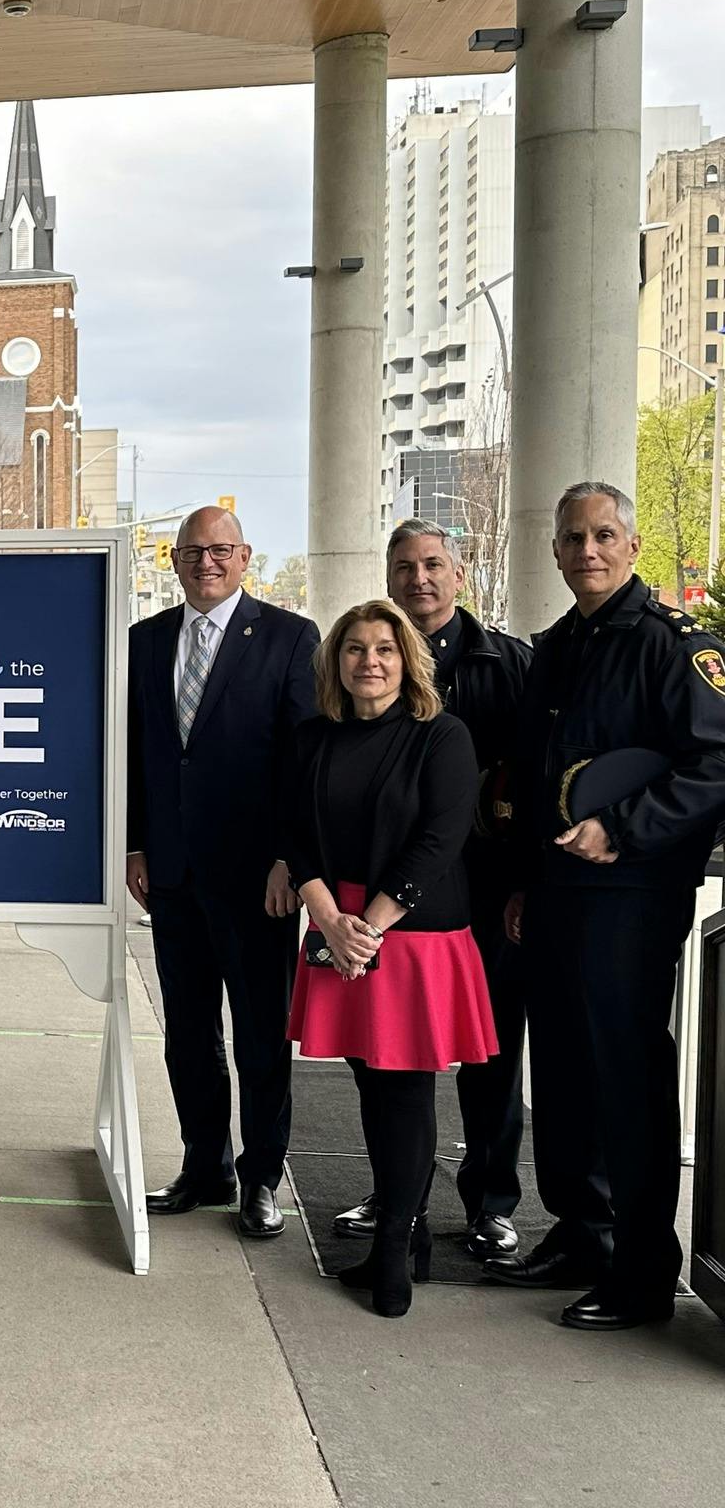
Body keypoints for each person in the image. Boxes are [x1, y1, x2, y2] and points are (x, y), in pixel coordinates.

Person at [486, 482, 725, 1330]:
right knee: (562, 1069)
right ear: (554, 551)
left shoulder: (674, 645)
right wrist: (522, 882)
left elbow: (716, 766)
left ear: (631, 546)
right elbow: (533, 777)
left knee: (627, 1078)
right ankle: (580, 1234)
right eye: (573, 538)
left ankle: (643, 1273)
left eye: (604, 535)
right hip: (554, 891)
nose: (588, 550)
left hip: (631, 892)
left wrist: (622, 830)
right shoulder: (556, 648)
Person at [326, 524, 533, 1259]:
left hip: (479, 894)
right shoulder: (363, 674)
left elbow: (530, 784)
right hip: (386, 900)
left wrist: (523, 885)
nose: (420, 579)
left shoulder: (507, 664)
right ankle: (398, 1199)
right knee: (384, 1057)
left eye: (434, 565)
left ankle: (489, 1201)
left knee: (490, 1053)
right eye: (405, 568)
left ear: (459, 572)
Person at [284, 600, 495, 1317]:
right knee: (370, 1088)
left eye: (384, 649)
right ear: (335, 662)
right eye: (354, 649)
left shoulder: (443, 736)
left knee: (404, 1091)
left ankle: (400, 1249)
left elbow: (439, 841)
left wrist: (364, 930)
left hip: (408, 935)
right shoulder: (313, 738)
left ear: (407, 661)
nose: (369, 662)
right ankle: (401, 1243)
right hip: (339, 926)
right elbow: (293, 831)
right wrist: (326, 917)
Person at [127, 506, 319, 1237]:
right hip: (172, 875)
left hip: (258, 882)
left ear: (246, 558)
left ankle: (261, 1177)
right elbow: (137, 752)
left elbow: (304, 762)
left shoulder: (289, 638)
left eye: (220, 550)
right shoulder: (145, 642)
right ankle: (202, 1165)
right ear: (174, 561)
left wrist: (289, 862)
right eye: (192, 551)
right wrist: (136, 843)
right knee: (188, 1032)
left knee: (261, 1035)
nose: (206, 562)